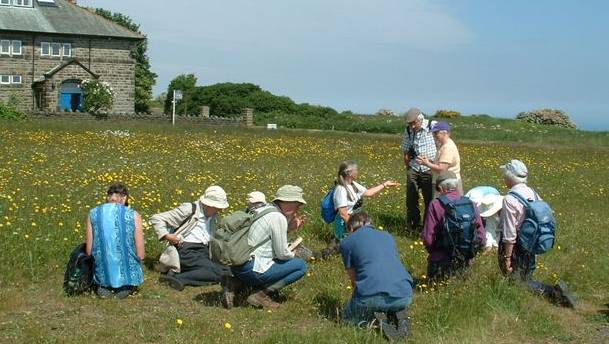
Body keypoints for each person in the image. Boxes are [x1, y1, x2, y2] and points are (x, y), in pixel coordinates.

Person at [497, 160, 575, 308]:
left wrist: (507, 257)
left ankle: (554, 292)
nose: (503, 178)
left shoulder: (510, 199)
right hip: (531, 243)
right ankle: (547, 296)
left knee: (517, 281)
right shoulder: (532, 192)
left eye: (504, 175)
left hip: (516, 246)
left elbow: (509, 233)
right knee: (525, 277)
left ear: (509, 177)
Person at [229, 185, 308, 309]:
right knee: (300, 266)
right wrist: (294, 252)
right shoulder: (278, 218)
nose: (298, 209)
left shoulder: (262, 209)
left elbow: (265, 237)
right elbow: (282, 254)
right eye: (297, 205)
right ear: (288, 203)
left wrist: (287, 228)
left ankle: (236, 283)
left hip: (237, 263)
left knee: (279, 261)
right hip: (251, 267)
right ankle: (261, 294)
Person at [340, 212, 414, 341]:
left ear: (351, 228)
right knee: (390, 298)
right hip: (405, 293)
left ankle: (377, 320)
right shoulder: (388, 236)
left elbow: (354, 280)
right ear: (371, 223)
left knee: (347, 318)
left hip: (372, 294)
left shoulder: (347, 242)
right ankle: (397, 312)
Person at [150, 185, 230, 291]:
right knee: (215, 272)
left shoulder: (213, 216)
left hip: (203, 251)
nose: (220, 211)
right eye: (217, 208)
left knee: (228, 270)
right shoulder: (189, 209)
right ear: (208, 205)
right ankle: (178, 279)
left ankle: (188, 272)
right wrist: (167, 236)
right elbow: (157, 218)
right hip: (186, 250)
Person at [421, 171, 486, 283]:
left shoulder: (436, 204)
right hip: (466, 260)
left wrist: (434, 252)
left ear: (441, 188)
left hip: (441, 260)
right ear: (456, 186)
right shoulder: (470, 203)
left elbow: (428, 238)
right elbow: (481, 236)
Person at [85, 183, 144, 299]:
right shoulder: (134, 215)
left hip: (102, 272)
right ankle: (126, 285)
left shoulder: (93, 213)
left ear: (108, 197)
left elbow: (88, 251)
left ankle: (103, 285)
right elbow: (141, 254)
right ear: (124, 198)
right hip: (128, 271)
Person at [333, 160, 399, 240]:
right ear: (350, 173)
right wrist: (353, 228)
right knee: (343, 246)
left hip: (351, 220)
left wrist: (385, 184)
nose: (357, 172)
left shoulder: (353, 184)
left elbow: (369, 193)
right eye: (356, 170)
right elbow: (343, 214)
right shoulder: (341, 190)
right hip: (343, 223)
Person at [401, 107, 437, 230]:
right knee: (411, 199)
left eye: (413, 123)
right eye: (409, 124)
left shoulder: (433, 126)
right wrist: (408, 167)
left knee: (430, 200)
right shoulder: (408, 130)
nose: (412, 126)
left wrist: (436, 165)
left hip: (430, 169)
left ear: (420, 119)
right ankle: (413, 225)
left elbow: (444, 142)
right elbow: (406, 150)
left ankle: (428, 228)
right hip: (414, 168)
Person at [417, 121, 463, 194]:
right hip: (445, 182)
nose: (434, 136)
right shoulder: (443, 145)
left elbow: (442, 169)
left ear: (445, 133)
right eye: (433, 133)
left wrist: (426, 164)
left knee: (442, 204)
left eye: (436, 133)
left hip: (448, 184)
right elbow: (440, 163)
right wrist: (429, 161)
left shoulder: (447, 147)